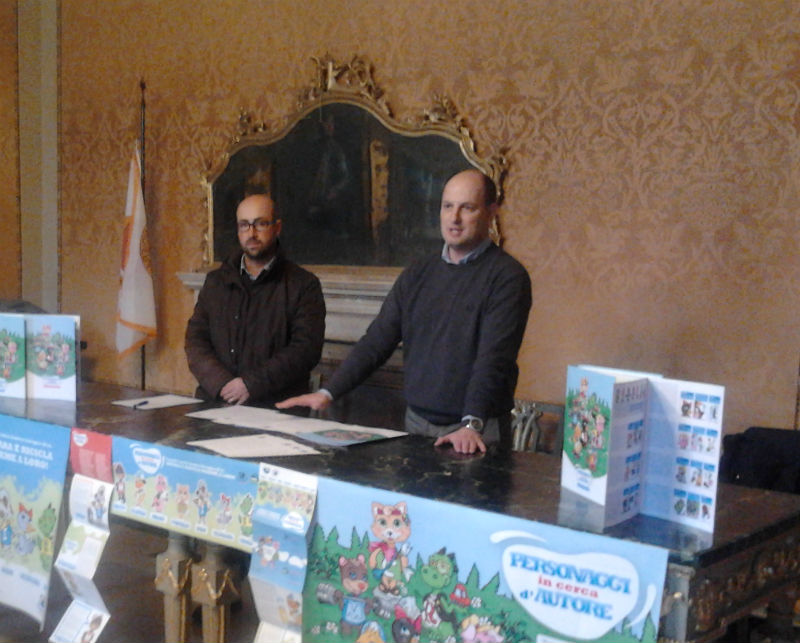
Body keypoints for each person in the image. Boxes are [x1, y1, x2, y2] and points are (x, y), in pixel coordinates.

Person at [277, 169, 531, 454]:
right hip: (416, 423)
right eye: (447, 206)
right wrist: (328, 392)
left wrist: (472, 423)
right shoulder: (418, 272)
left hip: (474, 431)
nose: (454, 218)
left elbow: (494, 359)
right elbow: (377, 340)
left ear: (491, 212)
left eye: (467, 208)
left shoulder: (507, 276)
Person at [185, 192, 326, 406]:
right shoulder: (216, 281)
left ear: (277, 228)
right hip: (216, 401)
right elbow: (195, 339)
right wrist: (222, 384)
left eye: (260, 224)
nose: (251, 233)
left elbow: (305, 350)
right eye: (244, 225)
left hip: (276, 408)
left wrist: (250, 385)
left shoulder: (303, 285)